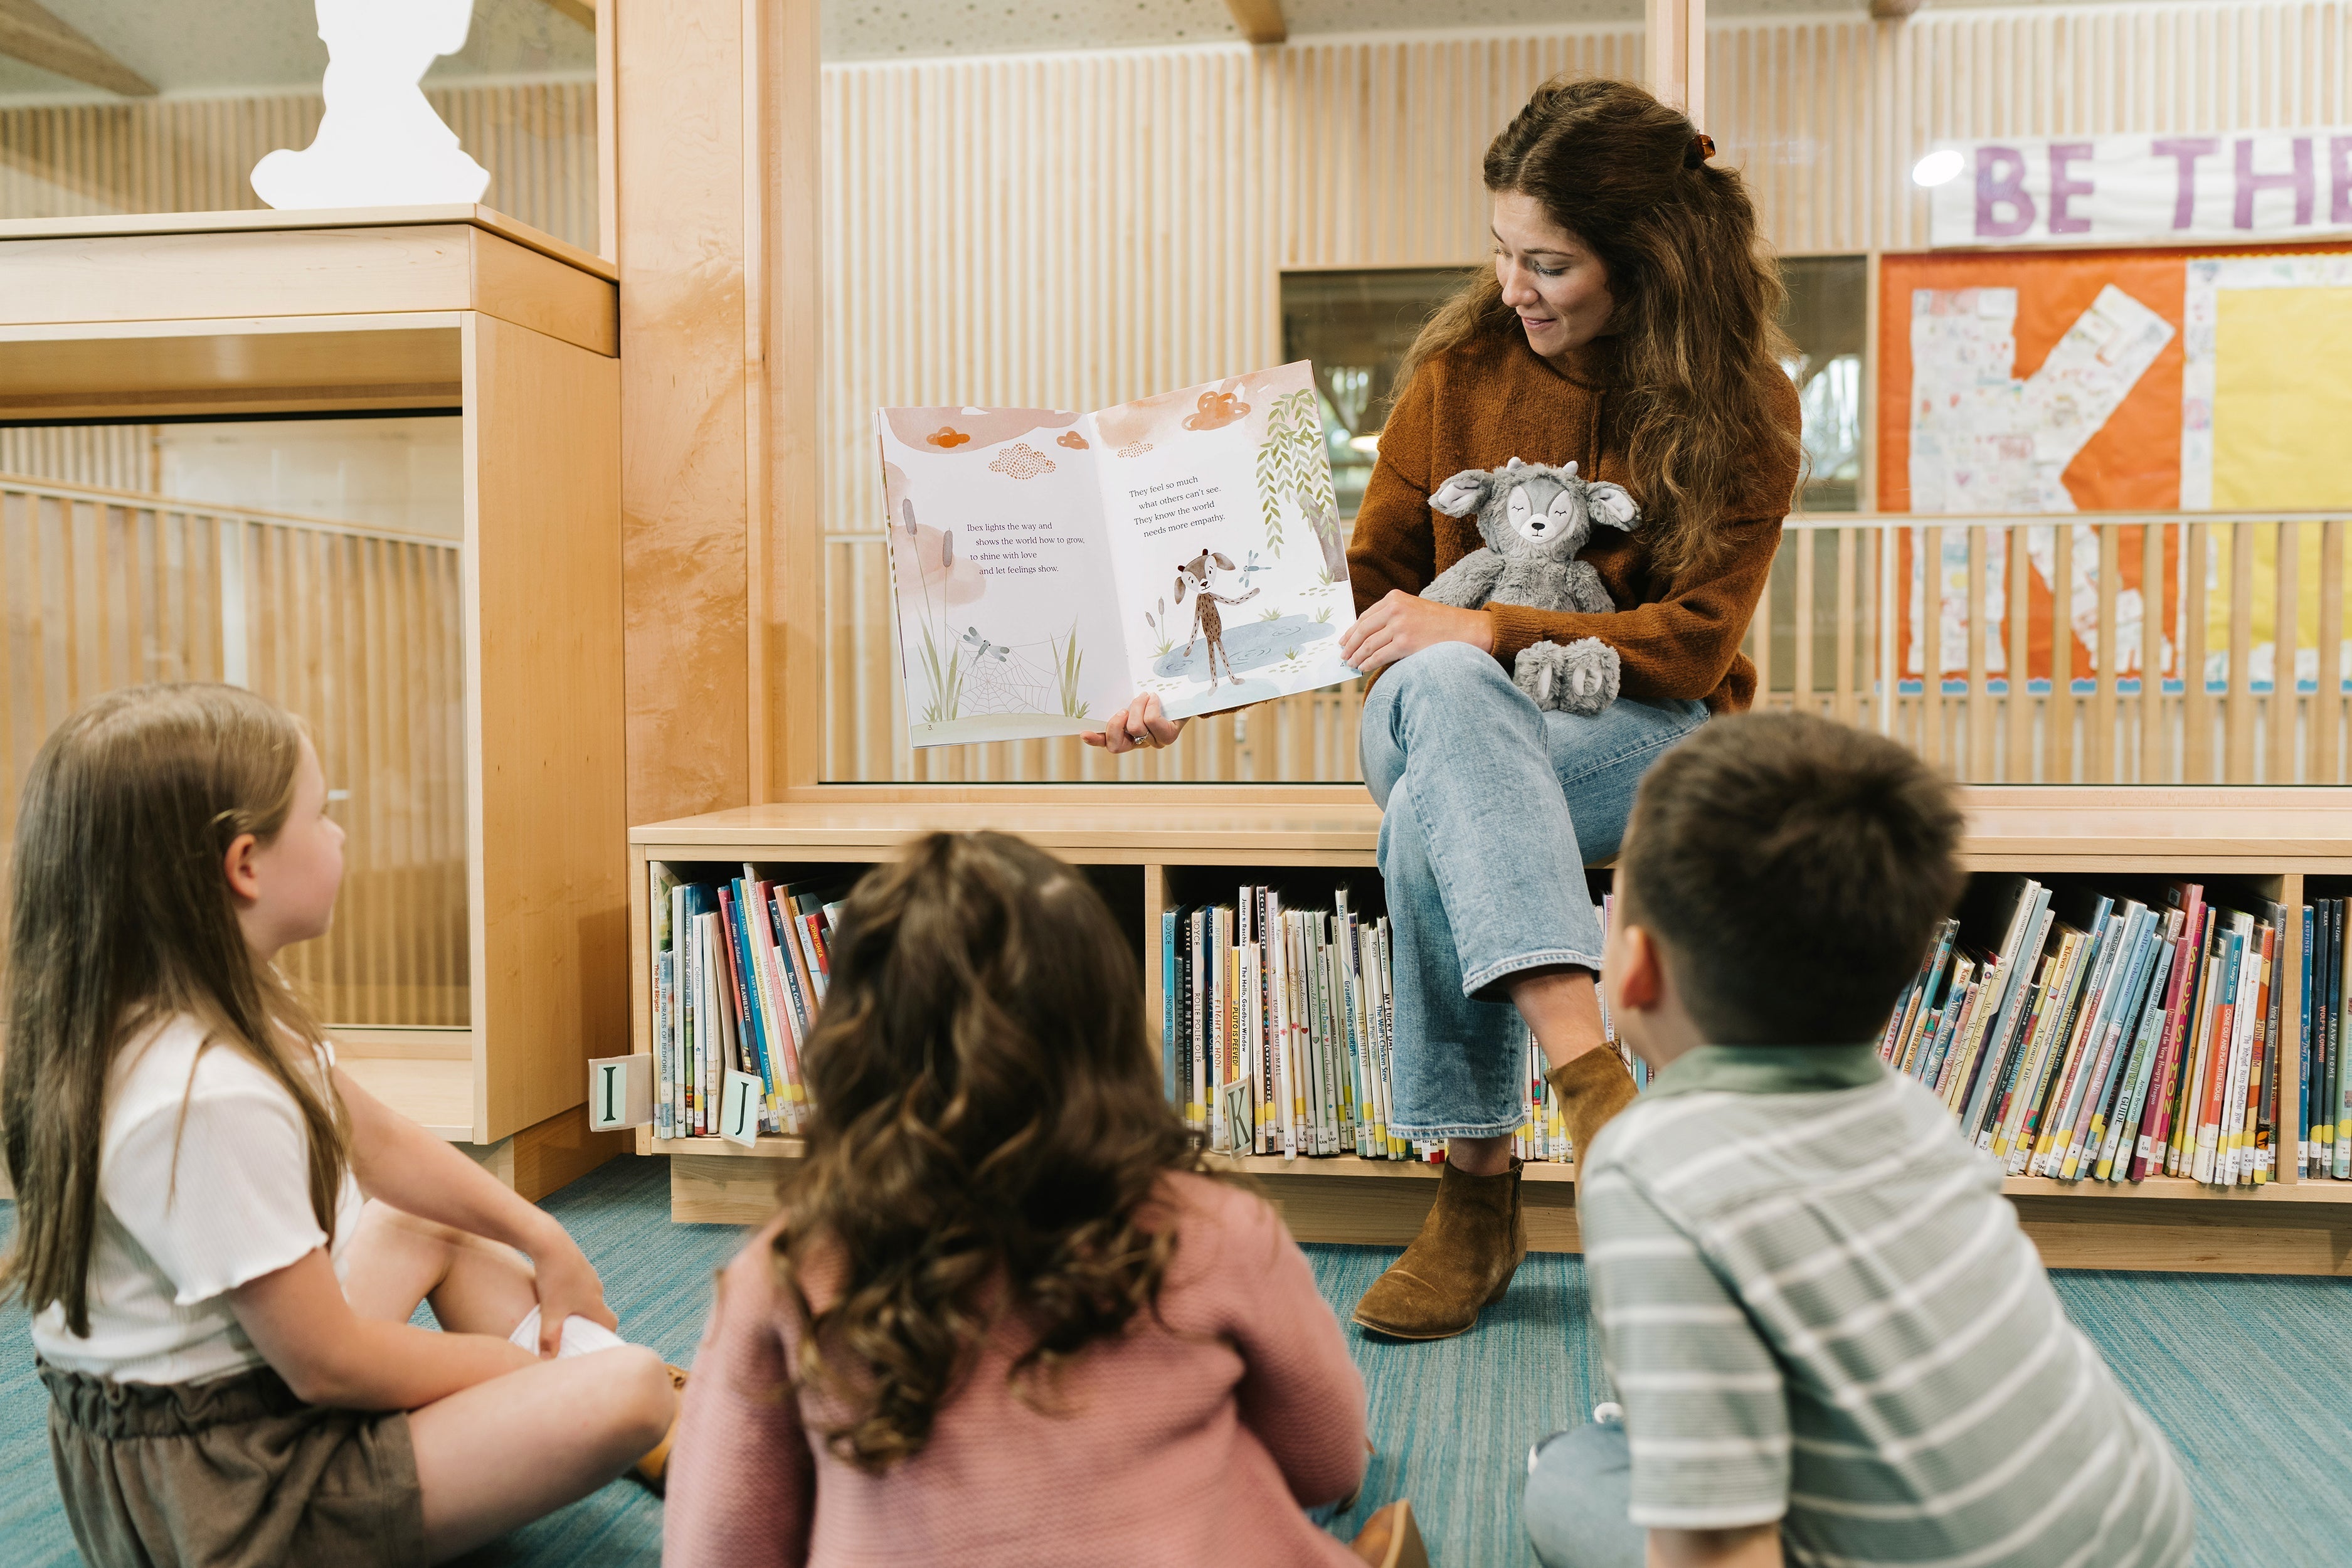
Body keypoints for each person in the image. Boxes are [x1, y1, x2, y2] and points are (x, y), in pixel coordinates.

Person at [1093, 75, 1802, 1338]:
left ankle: (1475, 1193)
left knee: (1434, 808)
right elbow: (1357, 594)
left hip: (1638, 730)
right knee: (1439, 688)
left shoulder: (1744, 404)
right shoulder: (1458, 370)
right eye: (1501, 250)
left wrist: (1485, 622)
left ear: (1652, 262)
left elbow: (1694, 646)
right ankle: (1595, 1085)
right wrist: (1186, 690)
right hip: (1424, 700)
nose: (1514, 285)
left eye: (1551, 261)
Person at [3, 684, 679, 1568]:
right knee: (624, 1390)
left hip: (234, 1402)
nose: (341, 836)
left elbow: (383, 1143)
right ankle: (637, 1401)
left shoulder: (204, 1006)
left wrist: (544, 1235)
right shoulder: (201, 1095)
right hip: (239, 1492)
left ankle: (602, 1398)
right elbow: (329, 1367)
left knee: (426, 1219)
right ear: (245, 864)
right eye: (323, 817)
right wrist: (532, 1376)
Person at [1522, 711, 2193, 1568]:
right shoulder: (1912, 1109)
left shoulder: (1648, 1171)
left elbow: (1720, 1550)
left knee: (1569, 1477)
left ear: (1635, 967)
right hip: (2136, 1530)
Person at [662, 830, 1401, 1568]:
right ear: (1109, 1030)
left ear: (849, 1045)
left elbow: (716, 1548)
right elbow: (1329, 1464)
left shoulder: (785, 1272)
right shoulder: (1214, 1229)